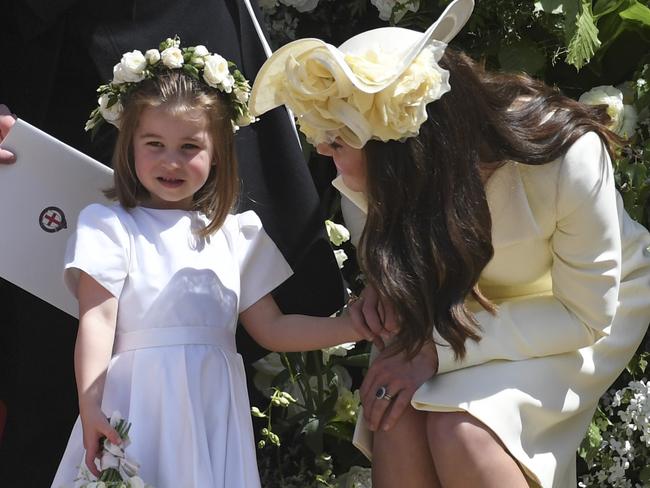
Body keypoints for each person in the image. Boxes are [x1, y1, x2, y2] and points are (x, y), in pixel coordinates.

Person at [248, 0, 650, 486]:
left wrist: (435, 349)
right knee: (394, 420)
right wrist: (390, 292)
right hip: (454, 308)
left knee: (465, 430)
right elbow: (398, 270)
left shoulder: (567, 158)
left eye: (339, 144)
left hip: (581, 311)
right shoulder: (371, 180)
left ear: (403, 148)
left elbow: (584, 314)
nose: (334, 167)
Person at [0, 2, 344, 484]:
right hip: (130, 404)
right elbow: (96, 320)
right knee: (36, 374)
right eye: (155, 146)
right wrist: (92, 403)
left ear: (219, 151)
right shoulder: (107, 225)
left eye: (190, 148)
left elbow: (272, 327)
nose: (172, 162)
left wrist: (356, 326)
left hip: (208, 414)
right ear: (130, 145)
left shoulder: (237, 234)